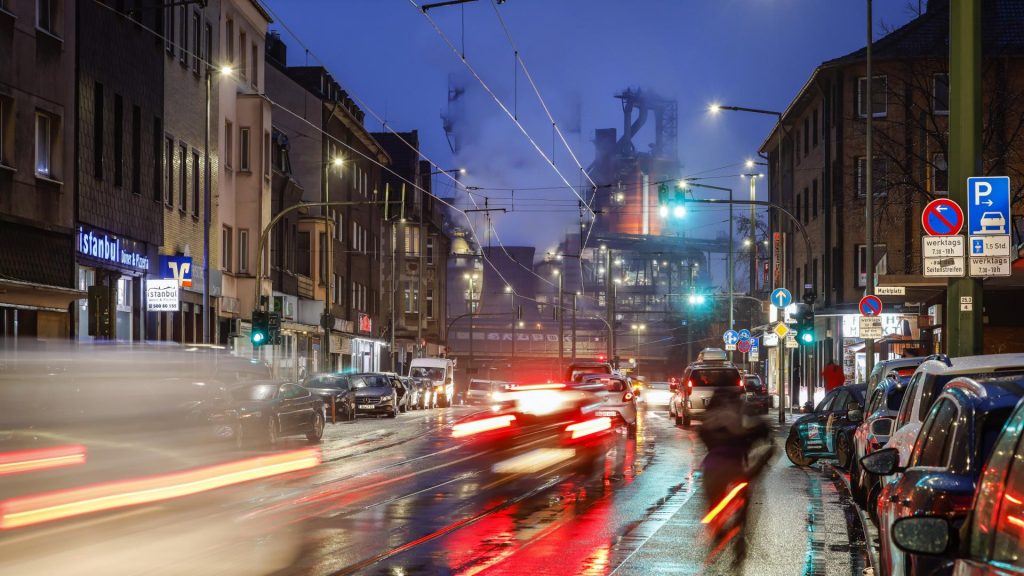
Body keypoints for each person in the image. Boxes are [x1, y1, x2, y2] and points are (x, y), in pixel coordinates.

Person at [698, 388, 773, 570]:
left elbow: (703, 435)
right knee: (745, 500)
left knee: (713, 502)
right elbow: (765, 439)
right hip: (734, 469)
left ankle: (717, 531)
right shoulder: (744, 418)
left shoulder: (709, 419)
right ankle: (740, 539)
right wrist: (761, 461)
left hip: (712, 468)